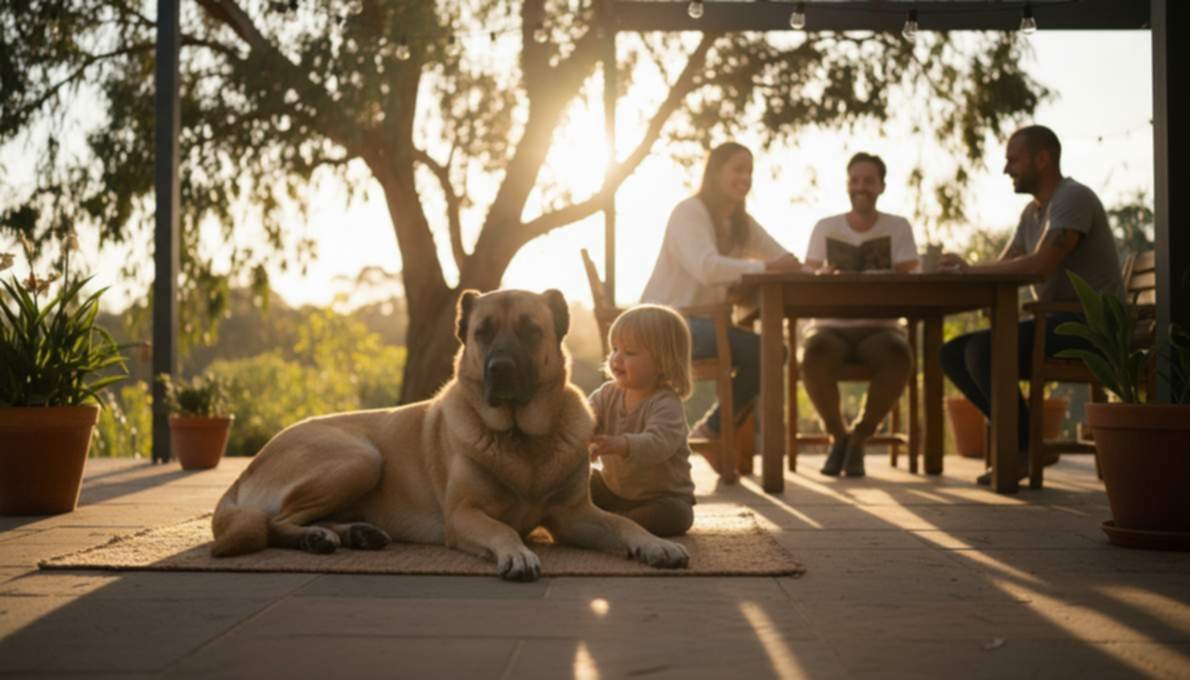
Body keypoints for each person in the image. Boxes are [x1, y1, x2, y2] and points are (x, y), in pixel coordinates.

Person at [938, 125, 1122, 485]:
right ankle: (1028, 443)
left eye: (1013, 160)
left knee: (983, 349)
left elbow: (1039, 266)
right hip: (1053, 324)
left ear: (1043, 159)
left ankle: (1022, 448)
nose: (1007, 169)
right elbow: (1006, 264)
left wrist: (971, 270)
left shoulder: (1072, 198)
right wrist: (966, 270)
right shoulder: (1032, 213)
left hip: (1089, 326)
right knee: (952, 353)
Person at [640, 142, 801, 450]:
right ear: (715, 173)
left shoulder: (743, 224)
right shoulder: (689, 212)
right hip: (667, 324)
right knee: (765, 350)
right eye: (738, 169)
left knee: (772, 351)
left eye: (750, 171)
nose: (745, 177)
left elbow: (781, 258)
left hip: (705, 326)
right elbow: (707, 268)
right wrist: (768, 267)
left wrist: (812, 267)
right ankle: (713, 433)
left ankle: (711, 431)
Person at [802, 152, 920, 477]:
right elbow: (805, 275)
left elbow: (914, 275)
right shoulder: (825, 227)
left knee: (899, 356)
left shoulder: (898, 227)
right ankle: (840, 438)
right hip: (829, 327)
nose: (860, 187)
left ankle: (860, 437)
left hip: (881, 328)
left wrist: (895, 272)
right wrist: (820, 276)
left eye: (868, 181)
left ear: (881, 186)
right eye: (854, 180)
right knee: (813, 355)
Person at [587, 305, 697, 537]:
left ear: (662, 362)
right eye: (615, 349)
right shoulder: (607, 394)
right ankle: (604, 519)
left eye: (630, 352)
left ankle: (618, 524)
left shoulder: (666, 404)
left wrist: (622, 444)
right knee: (581, 484)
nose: (617, 358)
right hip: (613, 490)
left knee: (676, 515)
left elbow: (658, 444)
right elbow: (585, 417)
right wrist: (582, 433)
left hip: (661, 497)